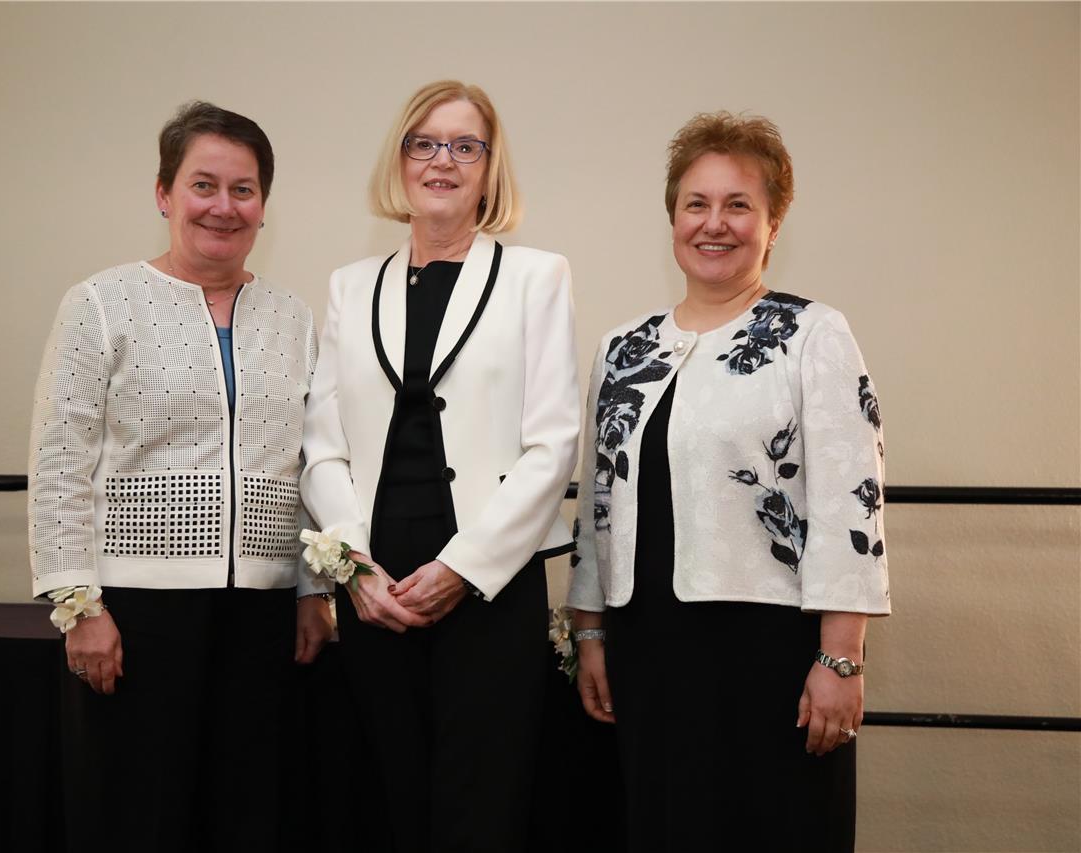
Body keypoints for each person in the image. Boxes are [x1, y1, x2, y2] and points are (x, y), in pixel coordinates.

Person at [568, 112, 891, 852]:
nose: (714, 223)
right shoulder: (623, 347)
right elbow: (597, 503)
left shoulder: (813, 333)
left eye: (738, 204)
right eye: (697, 204)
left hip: (770, 652)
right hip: (646, 648)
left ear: (773, 224)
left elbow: (853, 499)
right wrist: (588, 632)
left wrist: (841, 658)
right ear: (673, 219)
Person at [27, 101, 333, 852]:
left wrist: (311, 587)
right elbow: (60, 459)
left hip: (261, 613)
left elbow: (306, 460)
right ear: (164, 194)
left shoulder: (292, 317)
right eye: (204, 185)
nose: (223, 206)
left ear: (263, 205)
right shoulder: (101, 304)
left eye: (243, 189)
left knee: (248, 814)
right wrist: (78, 605)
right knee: (136, 814)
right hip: (133, 611)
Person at [300, 80, 580, 853]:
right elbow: (323, 445)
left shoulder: (536, 277)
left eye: (465, 145)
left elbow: (553, 442)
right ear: (400, 160)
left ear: (490, 168)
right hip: (377, 585)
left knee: (479, 807)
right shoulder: (352, 286)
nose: (442, 161)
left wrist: (462, 567)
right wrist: (354, 567)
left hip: (489, 581)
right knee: (391, 798)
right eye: (423, 143)